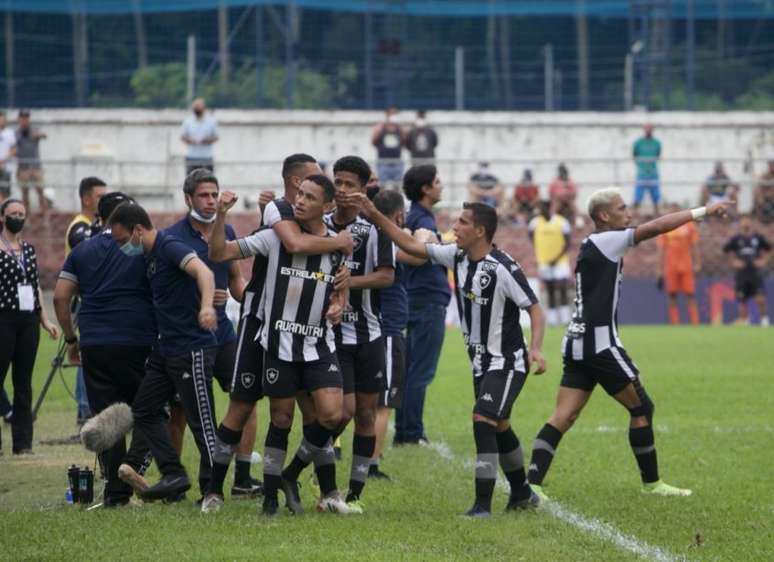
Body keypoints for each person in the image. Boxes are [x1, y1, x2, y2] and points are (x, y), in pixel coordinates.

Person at [526, 188, 731, 500]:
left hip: (576, 340)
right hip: (599, 344)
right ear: (605, 216)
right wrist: (703, 211)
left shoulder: (593, 243)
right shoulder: (608, 239)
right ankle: (652, 483)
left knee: (563, 416)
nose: (629, 214)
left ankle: (532, 483)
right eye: (622, 209)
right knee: (642, 407)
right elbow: (656, 227)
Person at [350, 194, 547, 517]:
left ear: (481, 231)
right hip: (481, 364)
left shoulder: (503, 268)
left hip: (507, 362)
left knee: (483, 420)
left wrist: (536, 348)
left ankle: (482, 505)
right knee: (500, 425)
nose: (454, 227)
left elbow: (535, 309)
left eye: (462, 222)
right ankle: (522, 492)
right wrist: (373, 213)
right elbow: (410, 245)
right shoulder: (457, 256)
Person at [200, 154, 353, 514]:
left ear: (327, 206)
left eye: (310, 197)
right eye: (300, 193)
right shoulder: (275, 231)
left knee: (332, 415)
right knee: (278, 417)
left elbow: (341, 286)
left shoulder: (338, 247)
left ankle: (298, 477)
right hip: (275, 342)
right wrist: (221, 215)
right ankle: (255, 494)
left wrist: (340, 299)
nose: (300, 200)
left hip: (318, 344)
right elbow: (219, 251)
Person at [162, 168, 262, 498]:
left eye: (213, 195)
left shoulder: (227, 229)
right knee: (180, 411)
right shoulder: (173, 237)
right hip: (188, 339)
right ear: (188, 198)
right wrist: (200, 296)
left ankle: (242, 479)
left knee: (246, 397)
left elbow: (235, 282)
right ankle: (174, 481)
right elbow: (166, 289)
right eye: (203, 195)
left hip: (223, 335)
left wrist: (258, 298)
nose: (209, 201)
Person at [108, 203, 218, 502]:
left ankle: (213, 490)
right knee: (144, 410)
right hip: (164, 349)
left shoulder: (170, 246)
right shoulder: (148, 256)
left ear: (137, 231)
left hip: (191, 347)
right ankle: (174, 474)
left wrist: (207, 306)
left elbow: (204, 273)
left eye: (121, 241)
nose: (120, 247)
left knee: (201, 422)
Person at [53, 192, 156, 507]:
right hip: (137, 339)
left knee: (107, 418)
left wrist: (72, 341)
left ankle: (115, 493)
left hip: (95, 342)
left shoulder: (82, 251)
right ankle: (134, 467)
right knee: (149, 410)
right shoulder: (140, 249)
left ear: (102, 218)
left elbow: (60, 297)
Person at [324, 155, 395, 507]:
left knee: (366, 414)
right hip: (329, 335)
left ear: (365, 188)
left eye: (349, 184)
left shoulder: (374, 229)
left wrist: (351, 281)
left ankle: (354, 493)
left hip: (368, 333)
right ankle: (311, 471)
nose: (341, 190)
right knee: (340, 412)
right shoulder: (317, 224)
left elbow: (386, 275)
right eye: (337, 182)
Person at [369, 189, 429, 480]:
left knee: (368, 400)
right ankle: (372, 464)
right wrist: (424, 236)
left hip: (371, 326)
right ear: (400, 215)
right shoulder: (386, 241)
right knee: (384, 403)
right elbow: (418, 255)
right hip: (388, 328)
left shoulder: (368, 236)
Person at [0, 199, 59, 455]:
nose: (17, 217)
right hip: (3, 318)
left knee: (23, 383)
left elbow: (35, 286)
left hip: (27, 321)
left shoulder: (29, 250)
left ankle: (22, 443)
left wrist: (44, 319)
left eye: (21, 213)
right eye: (12, 213)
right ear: (2, 217)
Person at [398, 164, 450, 445]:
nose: (441, 185)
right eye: (437, 181)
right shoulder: (423, 220)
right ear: (426, 189)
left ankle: (406, 430)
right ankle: (412, 433)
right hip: (427, 299)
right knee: (421, 370)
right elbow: (415, 252)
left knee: (410, 369)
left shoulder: (415, 215)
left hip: (416, 298)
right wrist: (430, 249)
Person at [66, 176, 107, 425]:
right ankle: (84, 408)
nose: (104, 200)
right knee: (87, 353)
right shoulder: (79, 226)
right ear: (86, 198)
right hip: (85, 299)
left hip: (96, 297)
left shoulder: (96, 224)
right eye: (100, 196)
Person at [528, 200, 572, 326]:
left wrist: (557, 258)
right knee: (550, 289)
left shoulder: (561, 222)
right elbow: (531, 237)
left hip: (560, 262)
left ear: (548, 208)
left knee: (562, 288)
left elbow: (567, 243)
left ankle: (565, 319)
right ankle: (552, 320)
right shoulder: (535, 223)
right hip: (544, 262)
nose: (540, 211)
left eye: (542, 208)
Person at [657, 204, 701, 325]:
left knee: (690, 293)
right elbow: (661, 249)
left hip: (686, 264)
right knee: (672, 294)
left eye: (676, 210)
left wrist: (697, 263)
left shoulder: (689, 225)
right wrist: (659, 269)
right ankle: (675, 323)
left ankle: (695, 323)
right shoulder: (665, 227)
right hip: (670, 265)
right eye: (672, 210)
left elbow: (695, 246)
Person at [723, 216, 771, 326]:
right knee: (742, 300)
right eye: (743, 220)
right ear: (740, 223)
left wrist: (764, 261)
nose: (746, 222)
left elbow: (769, 248)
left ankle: (764, 321)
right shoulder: (736, 239)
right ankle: (745, 322)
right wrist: (733, 261)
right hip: (742, 274)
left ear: (752, 222)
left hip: (755, 273)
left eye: (748, 220)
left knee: (760, 299)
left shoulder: (758, 238)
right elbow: (725, 251)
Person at [15, 110, 48, 214]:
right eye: (23, 118)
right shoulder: (16, 133)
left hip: (36, 167)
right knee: (25, 194)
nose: (25, 120)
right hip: (23, 167)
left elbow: (44, 135)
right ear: (19, 119)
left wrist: (37, 135)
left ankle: (45, 217)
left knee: (41, 192)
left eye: (26, 118)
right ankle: (26, 218)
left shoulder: (34, 130)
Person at [181, 98, 218, 175]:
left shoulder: (211, 121)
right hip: (191, 156)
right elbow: (183, 136)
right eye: (195, 107)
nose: (197, 108)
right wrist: (191, 140)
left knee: (208, 180)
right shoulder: (188, 121)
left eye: (199, 106)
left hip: (206, 157)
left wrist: (207, 140)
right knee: (191, 181)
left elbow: (216, 137)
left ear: (204, 108)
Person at [371, 107, 405, 189]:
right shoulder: (380, 127)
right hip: (383, 161)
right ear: (387, 115)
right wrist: (380, 129)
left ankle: (397, 201)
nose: (393, 116)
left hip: (396, 161)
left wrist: (400, 128)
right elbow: (374, 142)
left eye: (395, 114)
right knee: (382, 186)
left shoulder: (399, 128)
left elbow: (404, 142)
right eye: (391, 114)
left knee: (397, 186)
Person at [632, 124, 662, 215]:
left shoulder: (657, 143)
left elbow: (658, 155)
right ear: (644, 130)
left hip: (653, 173)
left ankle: (657, 214)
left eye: (650, 128)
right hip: (642, 174)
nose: (648, 130)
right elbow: (634, 155)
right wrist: (641, 165)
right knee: (638, 196)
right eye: (646, 128)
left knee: (656, 196)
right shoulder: (638, 142)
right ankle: (634, 214)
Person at [0, 111, 17, 204]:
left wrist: (3, 161)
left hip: (6, 167)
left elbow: (14, 149)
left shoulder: (10, 133)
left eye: (3, 119)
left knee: (5, 193)